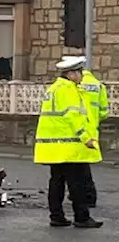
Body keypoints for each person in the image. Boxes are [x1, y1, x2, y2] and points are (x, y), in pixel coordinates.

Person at [34, 56, 102, 228]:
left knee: (56, 181)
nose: (81, 76)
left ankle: (56, 216)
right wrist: (85, 138)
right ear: (71, 74)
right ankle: (82, 217)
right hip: (68, 145)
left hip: (52, 146)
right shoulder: (69, 90)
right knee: (76, 183)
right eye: (78, 72)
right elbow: (73, 117)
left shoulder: (53, 89)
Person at [80, 63, 109, 208]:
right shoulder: (98, 85)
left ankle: (84, 196)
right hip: (92, 129)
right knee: (83, 166)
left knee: (76, 167)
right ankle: (88, 196)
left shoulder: (75, 85)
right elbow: (104, 112)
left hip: (77, 129)